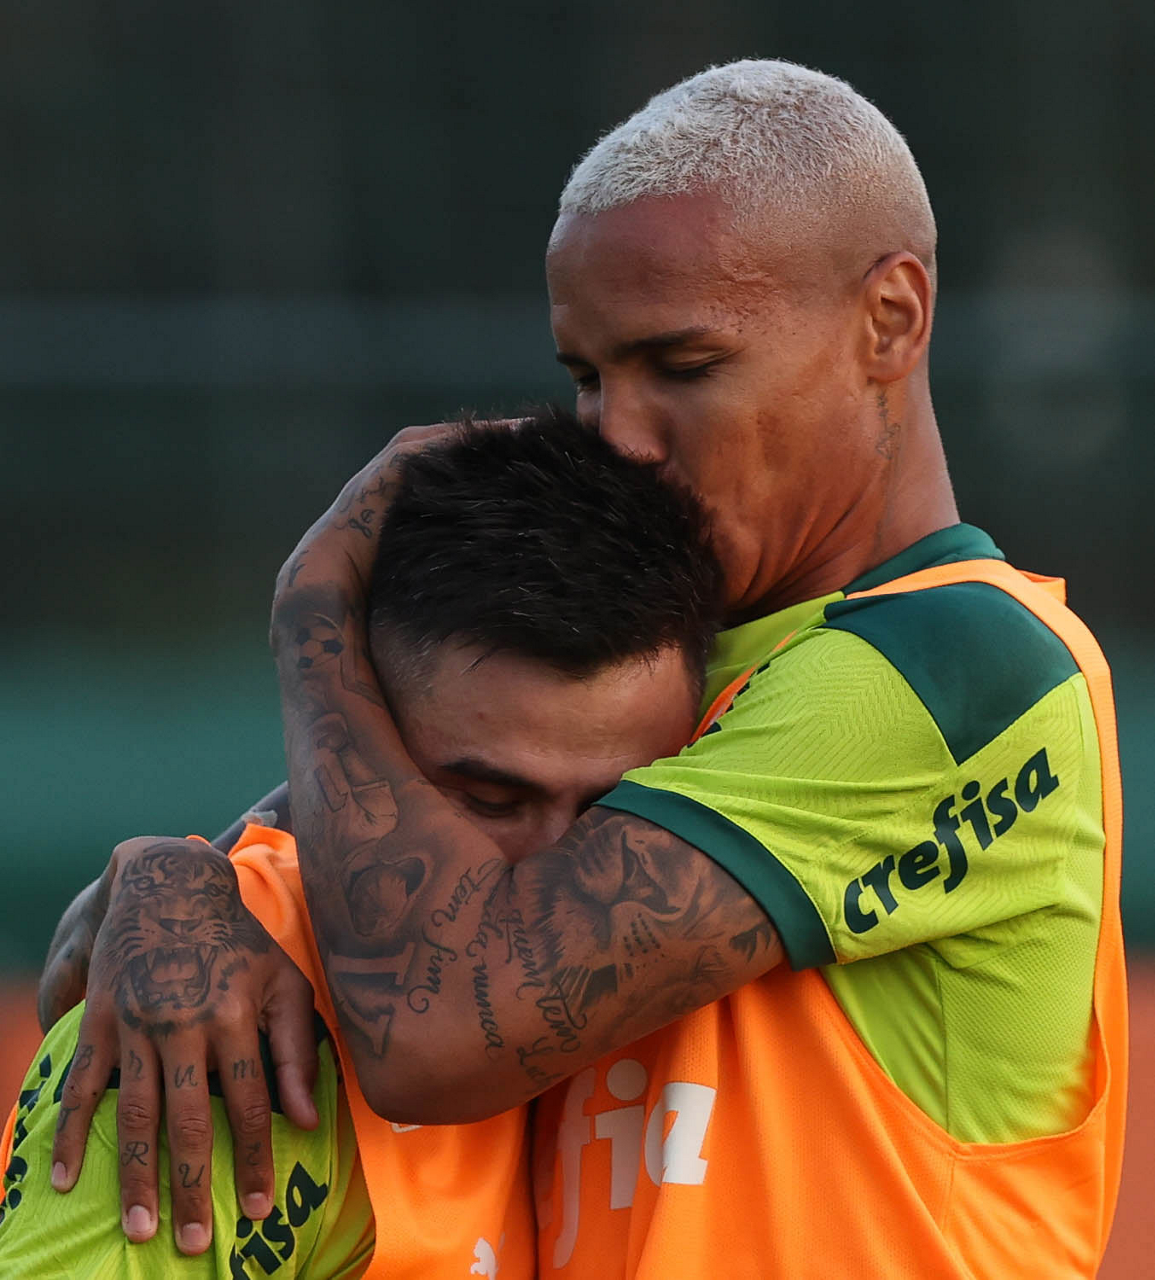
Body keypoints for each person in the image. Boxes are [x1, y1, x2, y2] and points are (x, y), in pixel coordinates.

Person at [48, 60, 1125, 1277]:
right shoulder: (663, 663)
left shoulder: (955, 665)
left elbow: (433, 1027)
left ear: (890, 318)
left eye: (684, 366)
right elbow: (302, 885)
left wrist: (312, 607)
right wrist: (178, 874)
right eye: (587, 375)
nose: (617, 434)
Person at [1, 410, 723, 1276]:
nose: (557, 863)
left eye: (621, 805)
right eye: (489, 800)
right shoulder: (198, 1007)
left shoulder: (717, 924)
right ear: (365, 735)